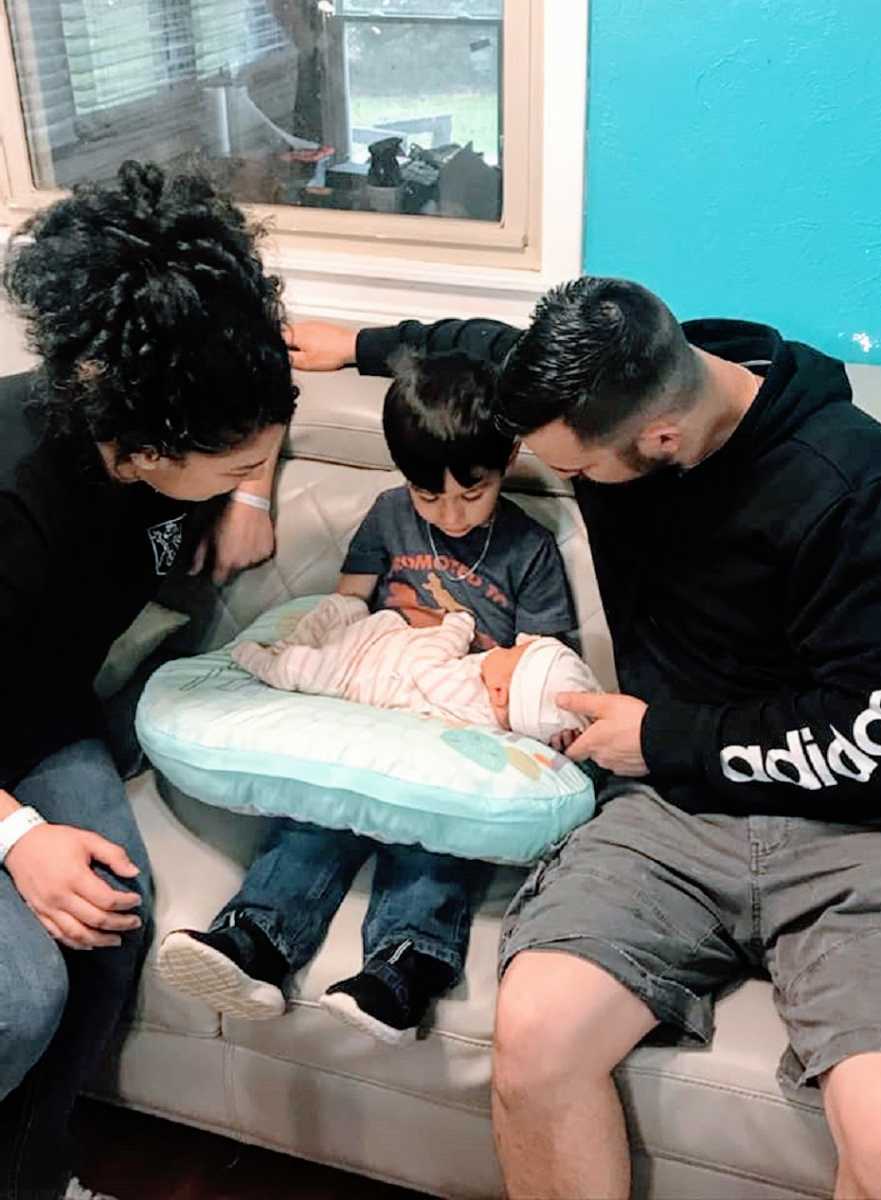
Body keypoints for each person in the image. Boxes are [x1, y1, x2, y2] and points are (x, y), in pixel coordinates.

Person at [286, 279, 881, 1199]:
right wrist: (362, 341)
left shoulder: (856, 486)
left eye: (579, 472)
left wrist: (662, 737)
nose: (566, 482)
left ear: (661, 442)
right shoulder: (601, 381)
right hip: (667, 817)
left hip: (853, 832)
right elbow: (478, 341)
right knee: (533, 1041)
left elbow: (876, 739)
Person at [0, 160, 297, 1200]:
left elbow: (269, 384)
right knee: (19, 997)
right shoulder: (18, 494)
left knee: (111, 917)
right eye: (222, 467)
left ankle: (35, 1178)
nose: (240, 473)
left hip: (36, 721)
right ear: (134, 451)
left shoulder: (185, 392)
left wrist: (247, 489)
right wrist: (18, 840)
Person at [155, 349, 579, 1046]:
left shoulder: (528, 549)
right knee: (316, 814)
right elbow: (345, 607)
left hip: (454, 720)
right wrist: (303, 660)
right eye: (429, 497)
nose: (451, 515)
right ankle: (253, 940)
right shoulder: (387, 517)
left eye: (473, 495)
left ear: (506, 463)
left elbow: (539, 662)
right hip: (368, 698)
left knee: (434, 837)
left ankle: (403, 971)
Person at [229, 596, 597, 735]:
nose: (514, 642)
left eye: (518, 651)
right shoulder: (509, 709)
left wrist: (457, 625)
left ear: (500, 692)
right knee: (349, 609)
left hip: (351, 674)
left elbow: (426, 667)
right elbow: (557, 710)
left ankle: (253, 654)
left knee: (296, 667)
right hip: (382, 645)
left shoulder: (471, 699)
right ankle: (298, 642)